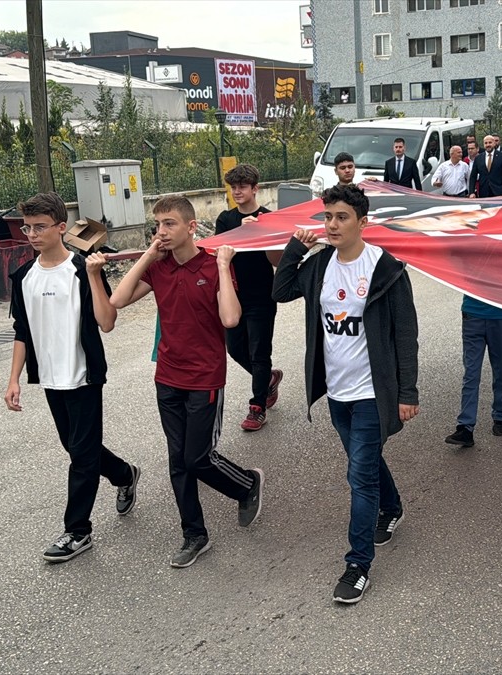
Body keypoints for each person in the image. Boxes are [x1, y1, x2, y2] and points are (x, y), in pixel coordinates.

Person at [272, 184, 420, 605]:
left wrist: (407, 392)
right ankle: (391, 509)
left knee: (358, 476)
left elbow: (405, 335)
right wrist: (293, 248)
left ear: (362, 222)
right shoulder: (319, 265)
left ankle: (358, 565)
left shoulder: (386, 269)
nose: (332, 225)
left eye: (341, 217)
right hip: (337, 392)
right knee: (364, 461)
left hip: (374, 390)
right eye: (327, 217)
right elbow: (280, 291)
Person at [111, 195, 265, 568]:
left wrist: (226, 265)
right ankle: (194, 534)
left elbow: (230, 319)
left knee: (197, 457)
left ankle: (246, 484)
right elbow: (117, 300)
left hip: (204, 378)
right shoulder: (159, 267)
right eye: (157, 225)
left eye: (169, 224)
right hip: (167, 376)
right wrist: (148, 255)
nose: (161, 231)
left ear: (191, 227)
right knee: (177, 461)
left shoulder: (213, 266)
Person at [5, 192, 138, 563]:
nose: (31, 234)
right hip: (49, 377)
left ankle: (77, 531)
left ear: (62, 228)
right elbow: (22, 331)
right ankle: (124, 473)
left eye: (40, 227)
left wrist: (95, 277)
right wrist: (14, 379)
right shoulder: (24, 277)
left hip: (82, 376)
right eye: (26, 227)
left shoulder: (81, 269)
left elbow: (107, 322)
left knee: (80, 455)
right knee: (79, 449)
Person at [444, 173, 502, 448]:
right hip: (472, 313)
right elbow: (444, 246)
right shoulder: (467, 240)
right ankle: (465, 426)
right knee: (471, 373)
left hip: (501, 316)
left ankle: (500, 415)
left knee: (501, 371)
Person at [216, 163, 284, 432]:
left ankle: (257, 407)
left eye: (242, 187)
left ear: (255, 189)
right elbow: (218, 253)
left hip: (262, 296)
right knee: (234, 348)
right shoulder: (225, 219)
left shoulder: (269, 219)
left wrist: (262, 234)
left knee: (259, 352)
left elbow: (277, 261)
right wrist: (241, 232)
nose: (237, 191)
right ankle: (268, 379)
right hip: (233, 295)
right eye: (233, 187)